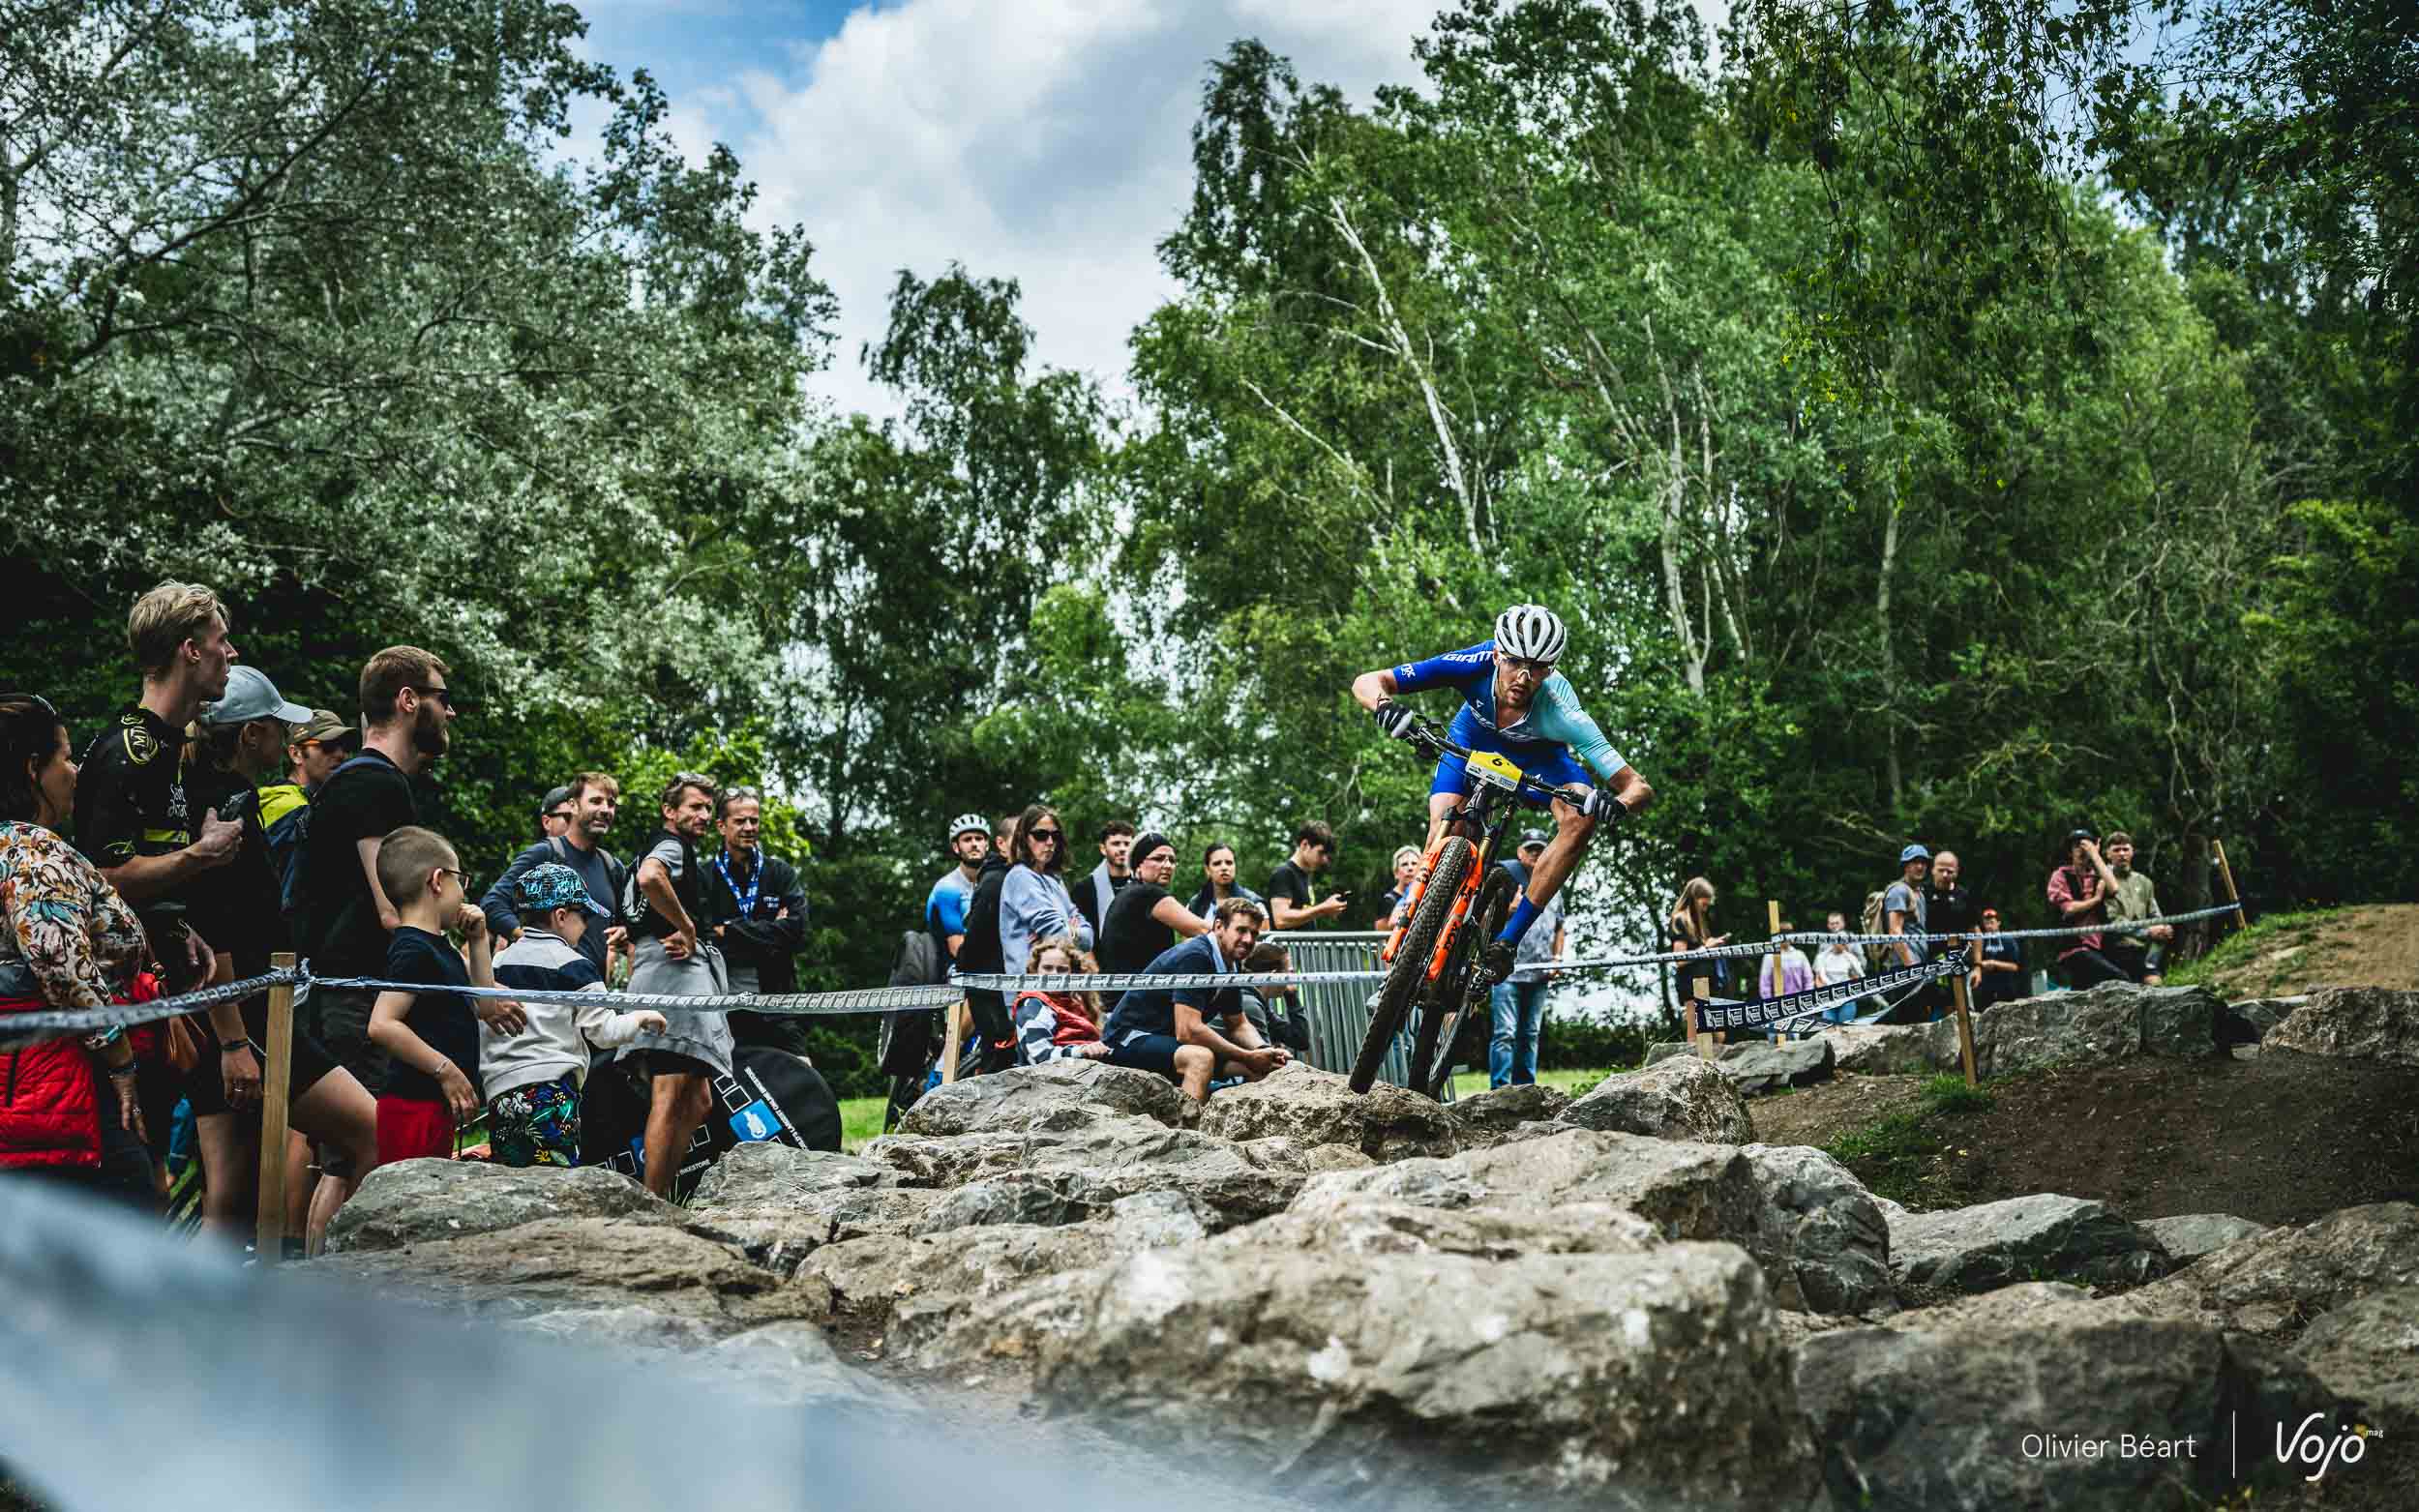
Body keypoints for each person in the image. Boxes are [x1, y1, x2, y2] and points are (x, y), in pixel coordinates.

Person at [1352, 604, 1652, 984]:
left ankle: (1508, 941)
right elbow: (1369, 680)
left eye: (1537, 668)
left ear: (1550, 670)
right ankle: (1406, 954)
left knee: (1581, 817)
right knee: (1444, 825)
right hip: (1471, 740)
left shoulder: (1564, 712)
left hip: (1538, 759)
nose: (1523, 677)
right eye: (1513, 662)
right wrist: (1384, 707)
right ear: (1496, 654)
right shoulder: (1470, 664)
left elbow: (1638, 786)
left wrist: (1618, 804)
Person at [189, 667, 380, 1244]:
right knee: (371, 1129)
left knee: (230, 1194)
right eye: (277, 726)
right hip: (248, 1017)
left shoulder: (224, 796)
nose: (285, 737)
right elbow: (214, 925)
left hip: (237, 1010)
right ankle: (349, 1279)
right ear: (251, 735)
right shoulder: (226, 807)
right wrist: (233, 1043)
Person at [0, 692, 155, 1201]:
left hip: (26, 1074)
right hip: (57, 1078)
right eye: (66, 758)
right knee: (124, 1207)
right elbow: (59, 962)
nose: (76, 771)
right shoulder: (34, 853)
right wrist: (120, 1058)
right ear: (33, 770)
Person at [295, 645, 458, 1098]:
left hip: (341, 994)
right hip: (355, 1000)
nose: (450, 712)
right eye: (442, 699)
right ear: (408, 700)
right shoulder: (375, 783)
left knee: (354, 1141)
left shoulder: (361, 780)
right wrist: (463, 973)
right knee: (373, 1135)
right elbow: (393, 910)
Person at [484, 864, 666, 1168]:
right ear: (561, 916)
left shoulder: (498, 962)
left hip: (501, 1093)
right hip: (551, 1092)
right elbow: (605, 1033)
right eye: (584, 917)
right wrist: (641, 1018)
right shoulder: (575, 965)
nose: (587, 926)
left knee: (512, 1178)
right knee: (556, 1178)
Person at [363, 825, 522, 1165]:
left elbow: (486, 1005)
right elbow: (382, 1024)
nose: (463, 892)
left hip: (433, 1106)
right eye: (460, 880)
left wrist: (478, 941)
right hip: (412, 1107)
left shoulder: (439, 948)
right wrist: (445, 1070)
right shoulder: (413, 950)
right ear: (437, 881)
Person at [621, 773, 737, 1200]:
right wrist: (686, 928)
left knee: (699, 1100)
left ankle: (662, 1193)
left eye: (708, 808)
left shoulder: (657, 847)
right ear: (669, 811)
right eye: (695, 807)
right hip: (673, 979)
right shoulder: (670, 847)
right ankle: (652, 1201)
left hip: (668, 976)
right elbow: (650, 879)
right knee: (669, 1093)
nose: (704, 815)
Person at [1102, 898, 1287, 1102]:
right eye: (1241, 930)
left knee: (1265, 1067)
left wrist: (1263, 1051)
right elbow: (1188, 1031)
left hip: (1167, 1043)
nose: (1248, 939)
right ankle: (1189, 1123)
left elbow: (1238, 1024)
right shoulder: (1196, 956)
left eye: (1254, 933)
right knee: (1200, 1058)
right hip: (1126, 1039)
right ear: (1219, 926)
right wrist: (1246, 1056)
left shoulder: (1230, 963)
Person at [481, 772, 629, 976]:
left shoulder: (612, 867)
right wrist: (527, 940)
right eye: (595, 801)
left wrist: (624, 932)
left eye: (611, 803)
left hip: (591, 988)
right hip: (543, 987)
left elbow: (628, 923)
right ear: (573, 805)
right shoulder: (544, 854)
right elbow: (492, 904)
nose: (605, 809)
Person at [702, 786, 809, 1054]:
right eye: (740, 821)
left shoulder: (780, 873)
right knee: (733, 1077)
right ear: (721, 825)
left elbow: (797, 931)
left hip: (779, 1002)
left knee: (800, 1073)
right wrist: (771, 932)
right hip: (724, 1006)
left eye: (754, 820)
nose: (749, 827)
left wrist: (730, 929)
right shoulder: (704, 876)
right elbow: (704, 937)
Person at [1096, 831, 1210, 1006]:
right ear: (1138, 865)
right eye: (1158, 859)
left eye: (1172, 860)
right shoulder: (1147, 894)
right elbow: (1203, 930)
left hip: (1126, 999)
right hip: (1132, 1004)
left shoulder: (1131, 892)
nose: (1167, 865)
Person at [1490, 830, 1565, 1087]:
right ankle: (1499, 1089)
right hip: (1507, 971)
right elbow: (1486, 921)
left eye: (1540, 849)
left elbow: (1560, 926)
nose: (1535, 853)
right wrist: (1510, 910)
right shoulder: (1506, 883)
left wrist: (1557, 959)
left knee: (1530, 1033)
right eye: (1530, 849)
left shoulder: (1554, 884)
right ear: (1520, 852)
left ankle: (1526, 1088)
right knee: (1505, 1033)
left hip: (1540, 972)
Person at [1000, 803, 1090, 974]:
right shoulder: (1020, 877)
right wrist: (1070, 930)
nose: (1049, 842)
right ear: (1024, 837)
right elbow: (1057, 933)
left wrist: (1067, 934)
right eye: (1040, 835)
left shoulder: (1054, 881)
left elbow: (1088, 940)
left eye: (1055, 836)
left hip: (1059, 981)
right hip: (1029, 984)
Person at [1008, 935, 1110, 1066]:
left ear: (1072, 973)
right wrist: (1082, 1051)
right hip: (1051, 1076)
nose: (1054, 975)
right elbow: (1040, 1057)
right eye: (1047, 968)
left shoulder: (1077, 1002)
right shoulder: (1032, 1003)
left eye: (1062, 969)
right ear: (1035, 971)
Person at [2046, 828, 2128, 988]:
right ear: (2070, 852)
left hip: (2099, 947)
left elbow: (2114, 888)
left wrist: (2096, 856)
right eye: (2077, 846)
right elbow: (2069, 909)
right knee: (2120, 979)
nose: (2082, 850)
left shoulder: (2099, 874)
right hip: (2073, 949)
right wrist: (2096, 899)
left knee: (2084, 990)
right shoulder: (2061, 875)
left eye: (2086, 845)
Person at [2098, 832, 2172, 984]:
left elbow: (2155, 914)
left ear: (2132, 852)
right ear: (2108, 854)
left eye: (2125, 849)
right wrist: (2147, 932)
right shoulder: (2103, 882)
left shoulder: (2145, 882)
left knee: (2155, 983)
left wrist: (2164, 928)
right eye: (2116, 850)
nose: (2122, 854)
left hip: (2145, 950)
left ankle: (2151, 968)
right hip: (2116, 950)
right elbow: (2113, 922)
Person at [1265, 820, 1349, 932]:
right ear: (1304, 845)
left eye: (1326, 854)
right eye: (1321, 852)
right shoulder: (1284, 873)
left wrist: (1326, 911)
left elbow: (1304, 915)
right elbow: (1281, 920)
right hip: (1287, 944)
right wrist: (1322, 909)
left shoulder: (1305, 875)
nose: (1324, 860)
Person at [927, 815, 991, 961]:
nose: (974, 844)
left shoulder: (995, 882)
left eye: (979, 839)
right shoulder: (946, 888)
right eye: (967, 840)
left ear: (987, 845)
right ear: (956, 847)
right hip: (953, 961)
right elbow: (957, 948)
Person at [1925, 848, 1978, 1014]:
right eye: (1941, 870)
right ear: (1933, 869)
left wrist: (1978, 966)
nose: (1945, 874)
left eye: (1950, 871)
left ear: (1957, 872)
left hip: (1960, 962)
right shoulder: (1922, 893)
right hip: (1929, 964)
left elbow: (1975, 931)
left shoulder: (1964, 896)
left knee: (1962, 1010)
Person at [1237, 940, 1310, 1055]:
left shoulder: (1259, 1003)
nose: (1292, 977)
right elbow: (1263, 1058)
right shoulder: (1250, 1004)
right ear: (1275, 975)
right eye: (1289, 972)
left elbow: (1300, 1040)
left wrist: (1291, 996)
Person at [1666, 877, 1731, 996]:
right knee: (1698, 1009)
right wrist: (1706, 948)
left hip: (1707, 981)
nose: (1705, 909)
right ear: (1693, 899)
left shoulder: (1700, 922)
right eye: (1703, 905)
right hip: (1692, 982)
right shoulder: (1680, 920)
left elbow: (1697, 947)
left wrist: (1712, 943)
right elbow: (1680, 960)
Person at [1073, 819, 1136, 941]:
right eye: (1116, 844)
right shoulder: (1084, 889)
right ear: (1103, 849)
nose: (1122, 849)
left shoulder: (1144, 885)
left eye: (1127, 844)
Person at [1186, 843, 1261, 924]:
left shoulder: (1254, 903)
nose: (1224, 867)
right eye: (1217, 863)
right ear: (1207, 870)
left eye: (1229, 863)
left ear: (1235, 866)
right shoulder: (1195, 904)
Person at [1810, 911, 1864, 1024]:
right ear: (1828, 925)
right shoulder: (1824, 941)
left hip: (1848, 991)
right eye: (1832, 923)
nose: (1834, 926)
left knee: (1845, 1027)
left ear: (1843, 923)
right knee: (1828, 1026)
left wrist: (1846, 951)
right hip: (1828, 993)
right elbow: (1818, 968)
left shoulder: (1853, 939)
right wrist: (1820, 985)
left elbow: (1862, 964)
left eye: (1837, 923)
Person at [1974, 906, 2026, 1008]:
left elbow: (2014, 967)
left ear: (1998, 923)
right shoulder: (1981, 942)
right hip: (1986, 990)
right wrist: (1982, 966)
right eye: (1986, 923)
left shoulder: (2008, 940)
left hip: (2007, 989)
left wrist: (1994, 963)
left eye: (1992, 923)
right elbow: (1976, 964)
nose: (1989, 926)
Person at [1375, 845, 1421, 928]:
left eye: (1414, 864)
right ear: (1396, 872)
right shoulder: (1388, 900)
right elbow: (1381, 932)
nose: (1410, 868)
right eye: (1404, 864)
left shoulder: (1423, 895)